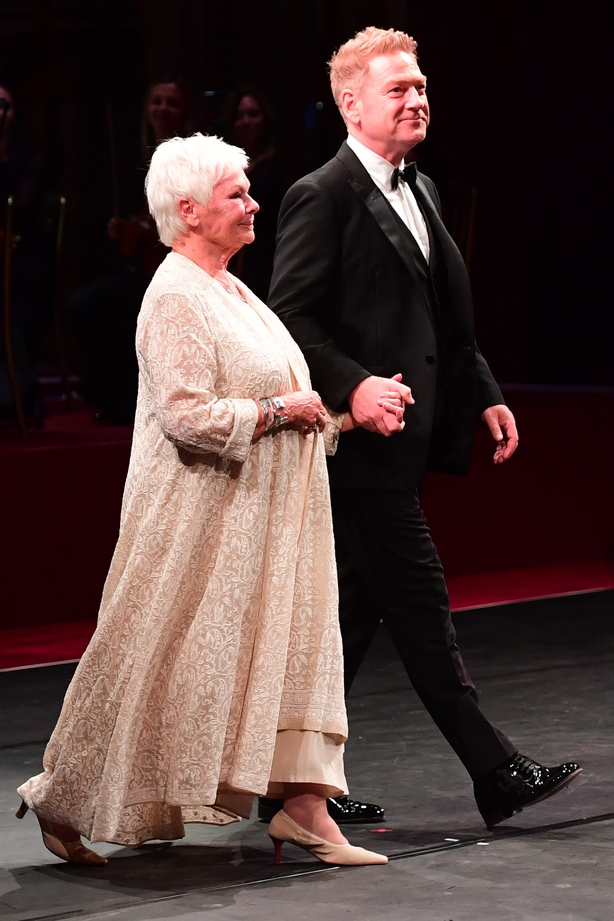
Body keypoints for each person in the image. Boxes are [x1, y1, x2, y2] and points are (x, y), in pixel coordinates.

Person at [16, 134, 387, 869]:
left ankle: (305, 807)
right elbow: (188, 415)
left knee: (288, 649)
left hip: (265, 517)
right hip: (196, 523)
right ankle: (64, 796)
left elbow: (284, 401)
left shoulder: (231, 286)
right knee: (153, 663)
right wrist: (285, 409)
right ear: (187, 210)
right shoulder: (174, 296)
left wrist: (340, 419)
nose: (254, 204)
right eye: (236, 195)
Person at [263, 26, 581, 828]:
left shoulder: (424, 189)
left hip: (402, 442)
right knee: (421, 608)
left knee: (352, 619)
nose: (417, 98)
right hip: (357, 447)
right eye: (398, 88)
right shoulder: (321, 193)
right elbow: (288, 319)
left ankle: (288, 783)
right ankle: (494, 769)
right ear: (350, 102)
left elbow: (444, 318)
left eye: (421, 85)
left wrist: (484, 392)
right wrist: (355, 384)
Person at [65, 79, 192, 424]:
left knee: (102, 305)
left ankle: (124, 399)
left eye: (172, 103)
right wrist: (123, 228)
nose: (163, 109)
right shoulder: (140, 155)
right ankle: (116, 396)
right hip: (141, 266)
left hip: (178, 265)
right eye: (157, 102)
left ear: (183, 111)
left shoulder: (189, 157)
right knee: (88, 305)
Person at [0, 80, 55, 423]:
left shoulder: (29, 160)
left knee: (11, 295)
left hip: (26, 256)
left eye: (3, 105)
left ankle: (19, 396)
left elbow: (18, 210)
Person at [227, 85, 287, 301]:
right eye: (240, 116)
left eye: (253, 114)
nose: (246, 122)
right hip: (233, 259)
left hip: (265, 262)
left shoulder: (275, 170)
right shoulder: (225, 168)